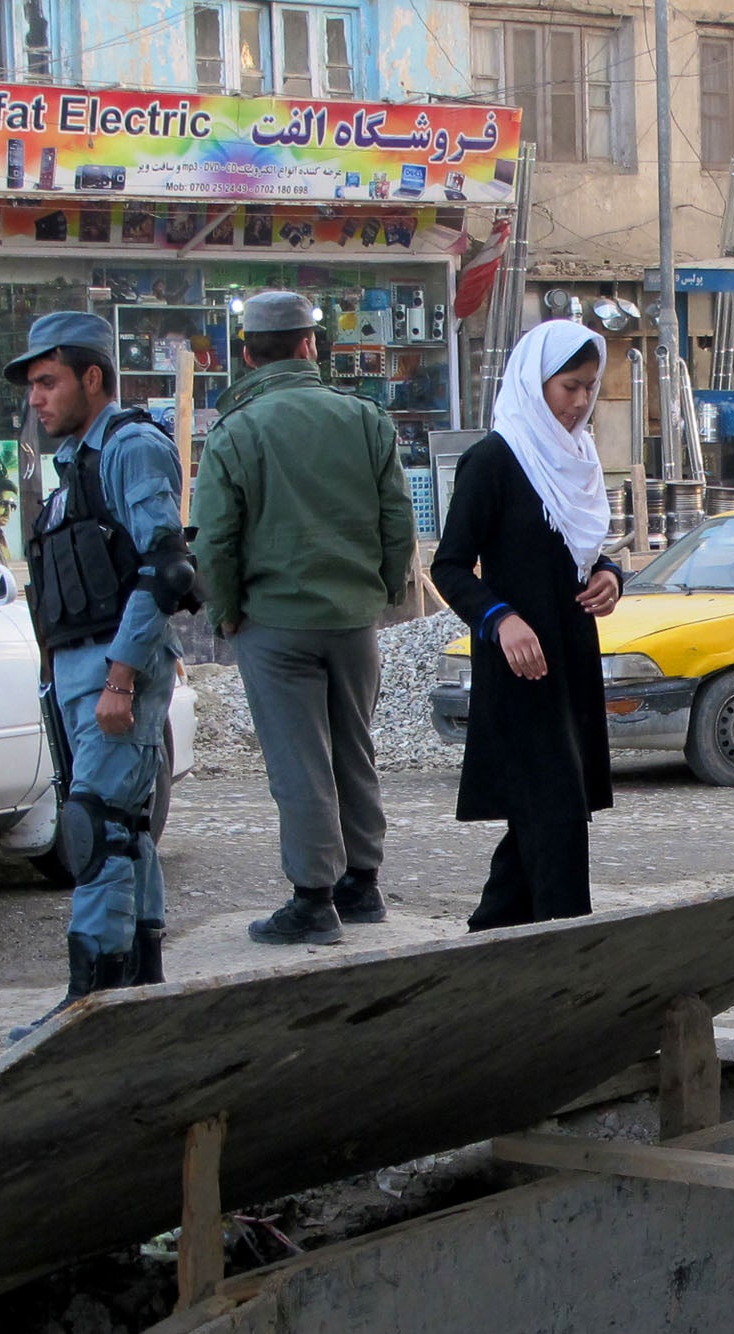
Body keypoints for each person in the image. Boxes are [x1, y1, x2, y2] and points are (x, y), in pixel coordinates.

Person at [194, 290, 416, 945]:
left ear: (245, 354)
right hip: (353, 620)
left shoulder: (236, 430)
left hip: (275, 623)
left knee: (299, 764)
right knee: (354, 750)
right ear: (309, 346)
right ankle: (362, 886)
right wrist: (378, 591)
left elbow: (215, 539)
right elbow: (398, 522)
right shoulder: (365, 420)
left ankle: (314, 901)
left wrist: (227, 612)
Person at [4, 313, 194, 1038]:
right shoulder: (78, 461)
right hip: (85, 671)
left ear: (93, 377)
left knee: (95, 832)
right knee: (125, 833)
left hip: (118, 672)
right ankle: (140, 989)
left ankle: (93, 1005)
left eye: (48, 382)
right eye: (31, 387)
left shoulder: (130, 446)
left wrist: (119, 678)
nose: (37, 400)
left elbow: (165, 565)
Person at [430, 320, 625, 930]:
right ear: (533, 382)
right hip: (519, 662)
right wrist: (501, 618)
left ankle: (492, 932)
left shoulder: (580, 459)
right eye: (568, 387)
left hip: (571, 655)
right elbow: (451, 566)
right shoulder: (492, 459)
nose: (578, 402)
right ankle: (571, 949)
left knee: (545, 812)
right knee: (556, 807)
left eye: (589, 389)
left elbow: (587, 551)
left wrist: (611, 576)